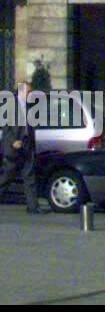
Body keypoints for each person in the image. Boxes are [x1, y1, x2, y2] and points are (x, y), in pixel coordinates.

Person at [0, 82, 41, 214]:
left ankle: (33, 207)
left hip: (27, 147)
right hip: (14, 148)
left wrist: (32, 146)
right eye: (29, 92)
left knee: (29, 178)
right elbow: (6, 129)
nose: (31, 95)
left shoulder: (30, 107)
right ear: (21, 91)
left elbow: (31, 128)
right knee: (7, 177)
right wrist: (13, 142)